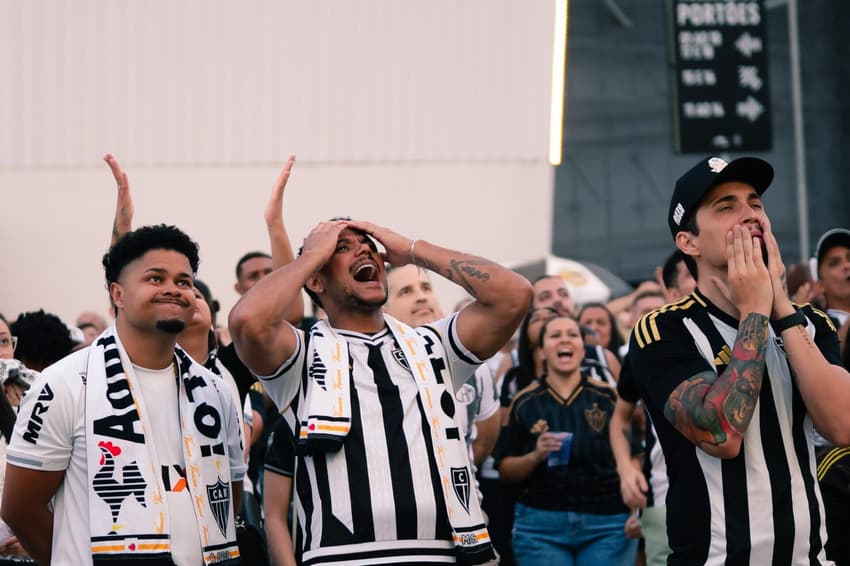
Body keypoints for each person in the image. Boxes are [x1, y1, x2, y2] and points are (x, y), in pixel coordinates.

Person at [229, 216, 532, 564]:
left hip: (442, 555)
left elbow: (515, 294)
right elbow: (247, 322)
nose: (364, 251)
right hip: (341, 558)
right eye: (343, 248)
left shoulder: (434, 345)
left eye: (369, 247)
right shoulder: (301, 355)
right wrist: (311, 257)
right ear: (317, 280)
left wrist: (414, 250)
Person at [627, 156, 850, 564]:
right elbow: (721, 436)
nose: (750, 215)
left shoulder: (810, 323)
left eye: (756, 203)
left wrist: (781, 306)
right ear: (688, 242)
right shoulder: (663, 330)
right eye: (726, 206)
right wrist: (753, 315)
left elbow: (842, 425)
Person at [1, 225, 246, 565]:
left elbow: (227, 497)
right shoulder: (64, 383)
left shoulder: (216, 389)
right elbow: (20, 507)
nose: (174, 290)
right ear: (118, 294)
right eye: (155, 279)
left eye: (184, 281)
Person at [495, 315, 637, 566]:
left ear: (583, 348)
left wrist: (637, 510)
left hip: (607, 521)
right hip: (542, 526)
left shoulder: (607, 397)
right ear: (541, 352)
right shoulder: (524, 402)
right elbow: (504, 468)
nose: (565, 340)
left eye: (572, 335)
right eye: (555, 335)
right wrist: (535, 455)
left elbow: (634, 455)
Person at [609, 251, 692, 566]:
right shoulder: (647, 348)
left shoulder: (745, 333)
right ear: (672, 293)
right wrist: (626, 469)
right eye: (692, 273)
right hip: (667, 495)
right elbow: (620, 418)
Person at [813, 228, 850, 331]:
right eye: (834, 263)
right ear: (820, 285)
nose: (847, 265)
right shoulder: (816, 330)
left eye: (849, 258)